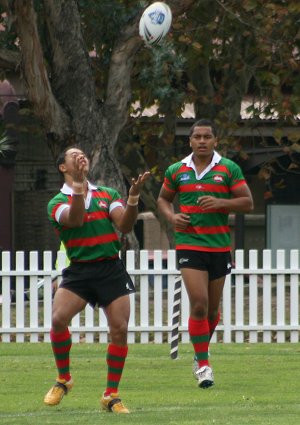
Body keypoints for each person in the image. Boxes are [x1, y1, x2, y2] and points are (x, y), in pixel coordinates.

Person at [45, 146, 150, 413]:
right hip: (79, 271)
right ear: (63, 167)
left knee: (120, 329)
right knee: (58, 319)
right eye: (73, 155)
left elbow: (125, 226)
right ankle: (64, 379)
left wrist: (133, 199)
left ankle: (111, 395)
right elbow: (76, 220)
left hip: (110, 269)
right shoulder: (56, 202)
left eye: (83, 154)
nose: (81, 156)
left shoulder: (108, 194)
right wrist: (79, 186)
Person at [157, 119, 253, 389]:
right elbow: (163, 199)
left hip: (219, 246)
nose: (201, 141)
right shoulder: (177, 170)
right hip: (189, 244)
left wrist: (221, 202)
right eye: (196, 137)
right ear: (189, 141)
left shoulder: (228, 168)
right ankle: (203, 364)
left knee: (211, 311)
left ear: (215, 141)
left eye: (207, 137)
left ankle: (200, 351)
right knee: (198, 304)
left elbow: (248, 202)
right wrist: (171, 216)